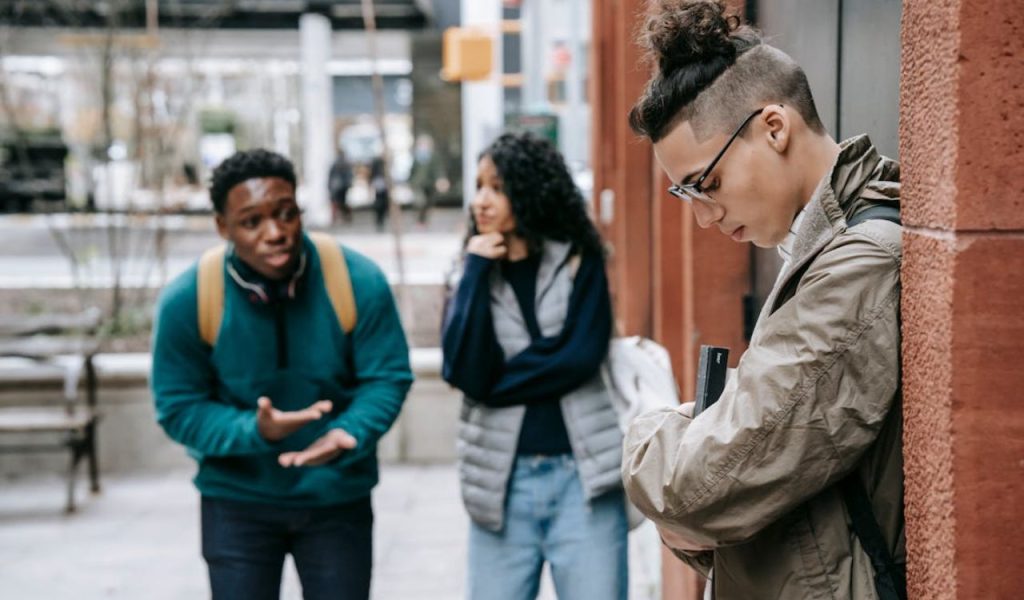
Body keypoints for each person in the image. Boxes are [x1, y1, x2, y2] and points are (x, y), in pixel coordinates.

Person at [619, 2, 905, 599]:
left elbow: (695, 488)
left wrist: (646, 434)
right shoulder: (818, 248)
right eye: (685, 194)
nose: (703, 218)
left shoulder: (861, 261)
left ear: (774, 127)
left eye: (708, 184)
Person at [150, 149, 413, 600]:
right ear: (222, 227)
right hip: (237, 504)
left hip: (336, 499)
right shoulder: (189, 298)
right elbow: (178, 406)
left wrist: (348, 432)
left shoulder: (356, 280)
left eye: (286, 213)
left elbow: (386, 376)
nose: (276, 233)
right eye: (252, 221)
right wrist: (255, 430)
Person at [441, 132, 628, 600]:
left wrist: (493, 384)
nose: (481, 201)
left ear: (529, 190)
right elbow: (462, 368)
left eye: (497, 188)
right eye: (479, 186)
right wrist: (477, 271)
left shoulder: (577, 259)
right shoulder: (469, 270)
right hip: (502, 485)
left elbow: (580, 356)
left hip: (582, 480)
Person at [408, 134, 447, 226]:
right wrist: (410, 182)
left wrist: (441, 179)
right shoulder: (416, 157)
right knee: (420, 202)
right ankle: (419, 220)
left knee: (429, 203)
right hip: (418, 184)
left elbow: (438, 169)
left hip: (430, 184)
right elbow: (412, 171)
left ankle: (424, 220)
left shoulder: (434, 156)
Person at [328, 150, 354, 225]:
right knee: (343, 201)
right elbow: (350, 175)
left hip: (337, 186)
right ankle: (346, 216)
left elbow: (331, 175)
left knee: (338, 201)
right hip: (344, 186)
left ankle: (340, 217)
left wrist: (330, 186)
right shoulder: (346, 163)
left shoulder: (336, 163)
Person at [369, 157, 389, 232]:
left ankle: (380, 221)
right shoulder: (380, 169)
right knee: (381, 204)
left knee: (380, 204)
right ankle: (380, 221)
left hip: (381, 189)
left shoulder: (381, 169)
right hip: (381, 189)